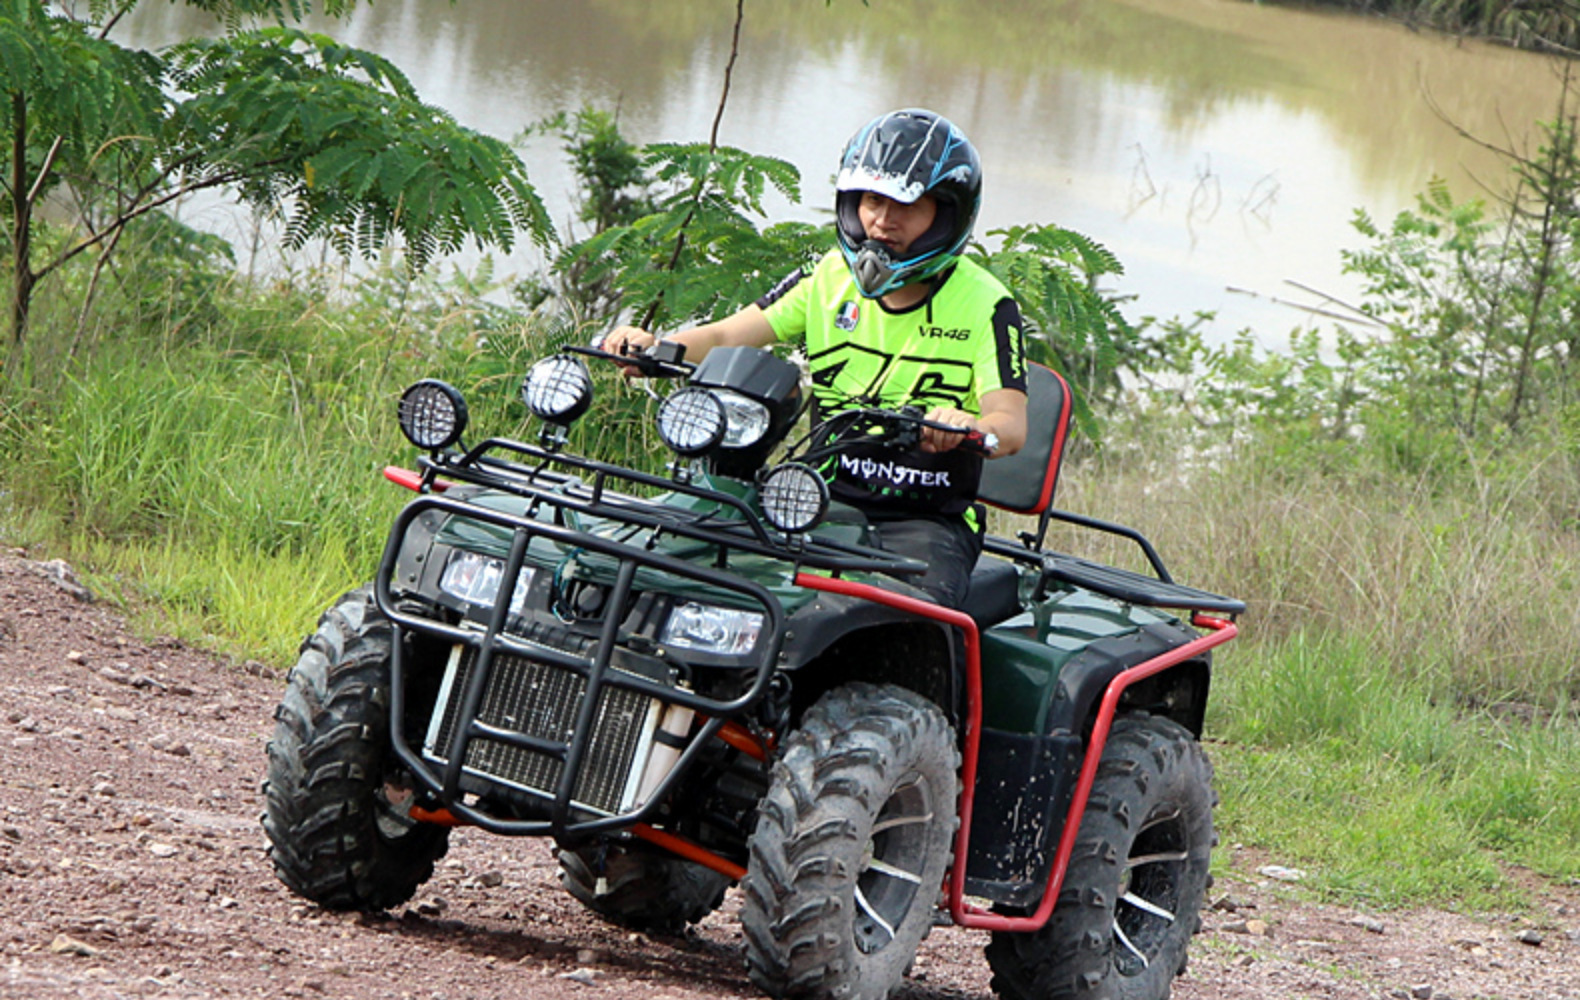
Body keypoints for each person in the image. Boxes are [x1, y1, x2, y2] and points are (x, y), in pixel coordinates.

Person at [602, 108, 1029, 608]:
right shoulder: (827, 278)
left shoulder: (987, 304)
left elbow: (1010, 425)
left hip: (923, 520)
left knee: (902, 623)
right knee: (684, 565)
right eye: (873, 200)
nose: (883, 220)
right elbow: (728, 334)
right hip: (809, 496)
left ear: (948, 216)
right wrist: (656, 347)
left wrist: (968, 425)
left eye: (907, 205)